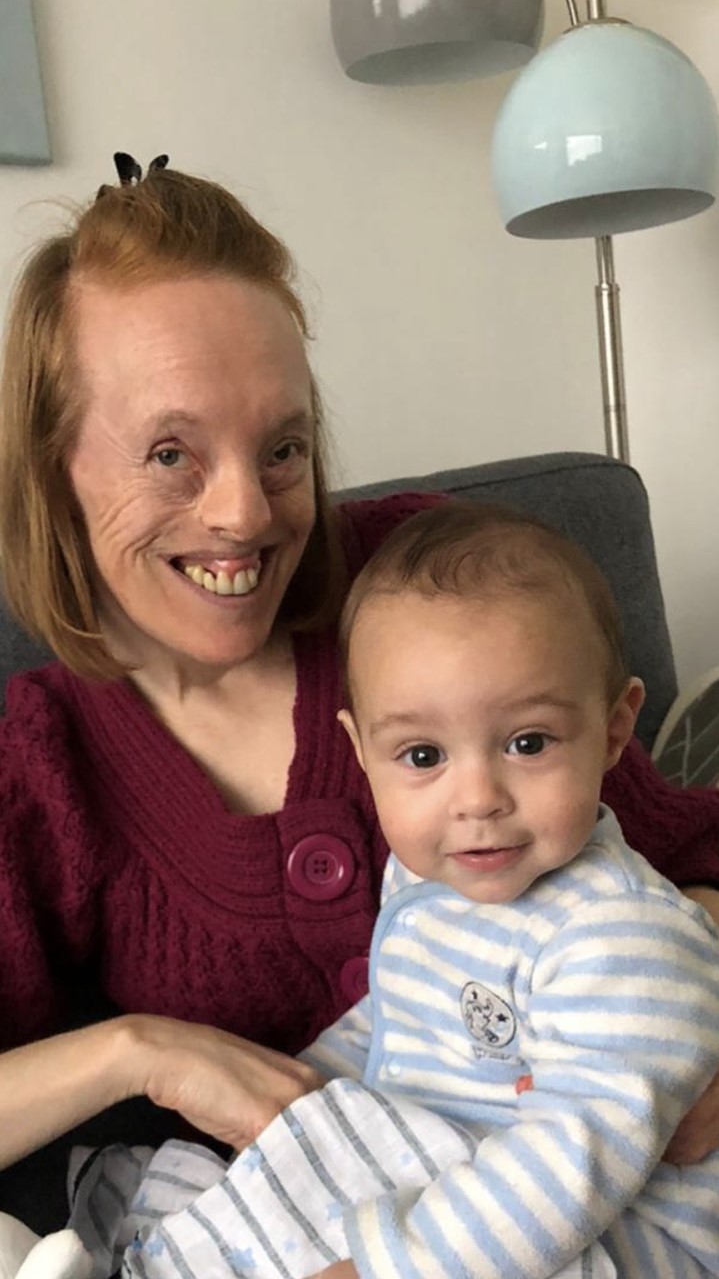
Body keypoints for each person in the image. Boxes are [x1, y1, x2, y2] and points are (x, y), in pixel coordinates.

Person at [0, 158, 718, 1244]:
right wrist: (141, 1048)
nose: (245, 513)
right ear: (56, 471)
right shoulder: (38, 767)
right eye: (169, 454)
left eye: (281, 447)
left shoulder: (429, 591)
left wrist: (684, 1008)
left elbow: (673, 856)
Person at [62, 501, 719, 1279]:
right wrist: (294, 1125)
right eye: (421, 756)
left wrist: (377, 1271)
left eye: (527, 743)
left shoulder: (623, 938)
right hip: (462, 1179)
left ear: (614, 729)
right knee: (241, 1171)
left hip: (608, 1235)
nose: (476, 798)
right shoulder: (432, 885)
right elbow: (392, 1024)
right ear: (361, 753)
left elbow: (566, 1169)